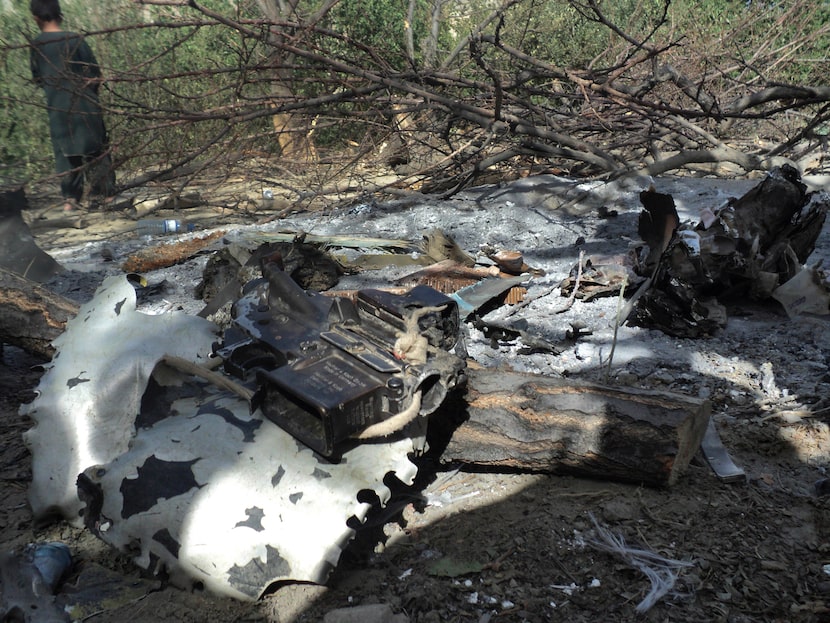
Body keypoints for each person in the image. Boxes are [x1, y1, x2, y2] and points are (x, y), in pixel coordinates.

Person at [29, 0, 115, 212]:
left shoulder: (37, 45)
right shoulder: (76, 40)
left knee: (65, 153)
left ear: (35, 18)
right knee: (97, 151)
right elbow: (95, 75)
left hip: (58, 107)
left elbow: (38, 78)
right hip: (87, 105)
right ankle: (106, 195)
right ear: (60, 14)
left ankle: (71, 199)